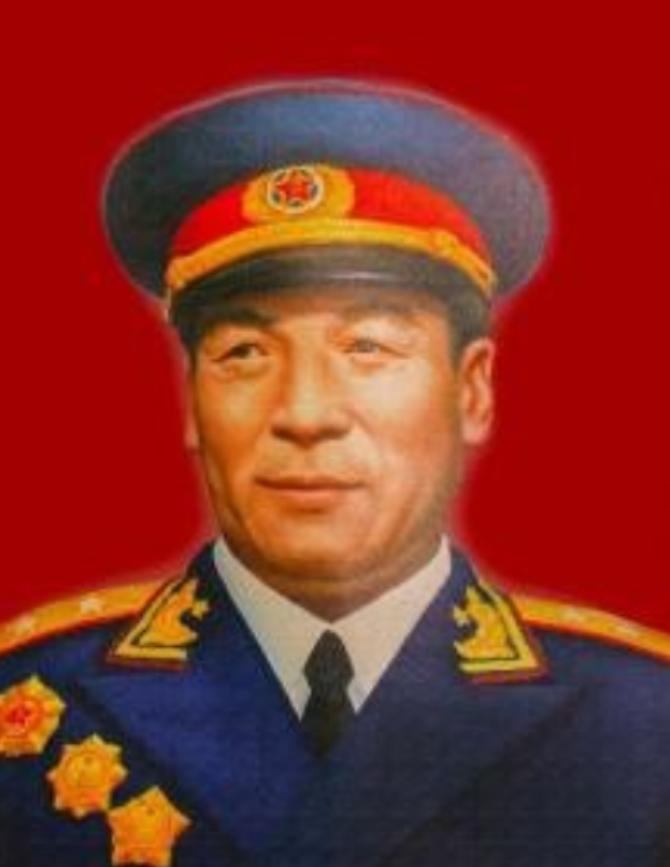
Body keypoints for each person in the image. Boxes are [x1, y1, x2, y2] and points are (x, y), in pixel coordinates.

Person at [1, 80, 669, 867]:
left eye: (369, 348)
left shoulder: (640, 721)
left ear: (472, 391)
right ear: (191, 400)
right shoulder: (34, 701)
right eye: (245, 353)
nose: (306, 412)